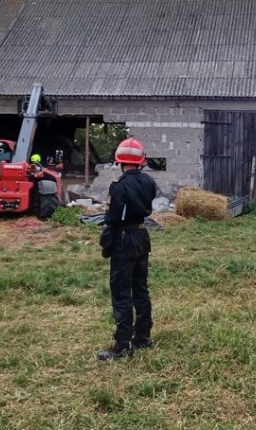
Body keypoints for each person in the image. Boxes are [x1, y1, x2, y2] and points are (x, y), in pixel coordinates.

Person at [97, 137, 158, 361]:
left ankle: (123, 344)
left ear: (120, 161)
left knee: (122, 290)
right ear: (141, 161)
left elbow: (113, 217)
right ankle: (143, 336)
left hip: (124, 239)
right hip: (142, 236)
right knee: (140, 288)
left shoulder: (119, 185)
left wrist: (108, 239)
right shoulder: (149, 182)